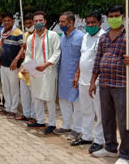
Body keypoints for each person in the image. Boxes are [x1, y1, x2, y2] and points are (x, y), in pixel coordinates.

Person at [90, 5, 129, 164]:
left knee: (124, 120)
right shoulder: (103, 38)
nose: (113, 18)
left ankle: (125, 154)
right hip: (104, 84)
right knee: (107, 118)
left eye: (116, 15)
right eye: (110, 16)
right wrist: (92, 82)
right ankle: (110, 147)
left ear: (122, 16)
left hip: (122, 85)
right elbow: (97, 61)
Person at [70, 11, 105, 153]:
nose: (90, 25)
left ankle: (99, 140)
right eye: (88, 23)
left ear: (100, 23)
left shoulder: (103, 37)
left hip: (97, 81)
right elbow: (82, 57)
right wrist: (77, 74)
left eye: (93, 23)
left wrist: (95, 80)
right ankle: (86, 136)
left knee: (99, 111)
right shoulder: (85, 37)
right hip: (83, 80)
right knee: (86, 110)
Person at [24, 11, 61, 134]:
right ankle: (40, 121)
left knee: (49, 97)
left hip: (49, 70)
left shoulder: (52, 35)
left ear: (45, 21)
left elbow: (57, 52)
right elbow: (28, 54)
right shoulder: (30, 38)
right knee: (36, 96)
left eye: (41, 20)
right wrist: (27, 66)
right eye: (36, 21)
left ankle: (52, 124)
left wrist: (46, 64)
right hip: (35, 71)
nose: (38, 23)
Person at [56, 11, 84, 140]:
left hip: (75, 75)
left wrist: (78, 74)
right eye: (60, 21)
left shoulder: (80, 37)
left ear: (71, 22)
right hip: (63, 75)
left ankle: (78, 129)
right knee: (63, 101)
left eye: (63, 22)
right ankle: (66, 125)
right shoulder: (62, 36)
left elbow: (82, 57)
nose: (60, 24)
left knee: (76, 103)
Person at [0, 13, 23, 119]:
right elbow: (0, 47)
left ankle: (13, 109)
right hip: (3, 64)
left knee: (14, 88)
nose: (6, 22)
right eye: (5, 21)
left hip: (13, 66)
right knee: (5, 87)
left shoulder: (18, 32)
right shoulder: (3, 32)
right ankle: (7, 107)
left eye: (8, 21)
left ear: (13, 21)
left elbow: (22, 47)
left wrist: (16, 60)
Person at [16, 13, 36, 121]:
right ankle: (26, 113)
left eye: (30, 23)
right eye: (26, 23)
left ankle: (34, 115)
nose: (28, 25)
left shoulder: (38, 35)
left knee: (33, 93)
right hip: (24, 66)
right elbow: (22, 50)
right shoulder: (25, 35)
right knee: (24, 92)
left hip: (34, 66)